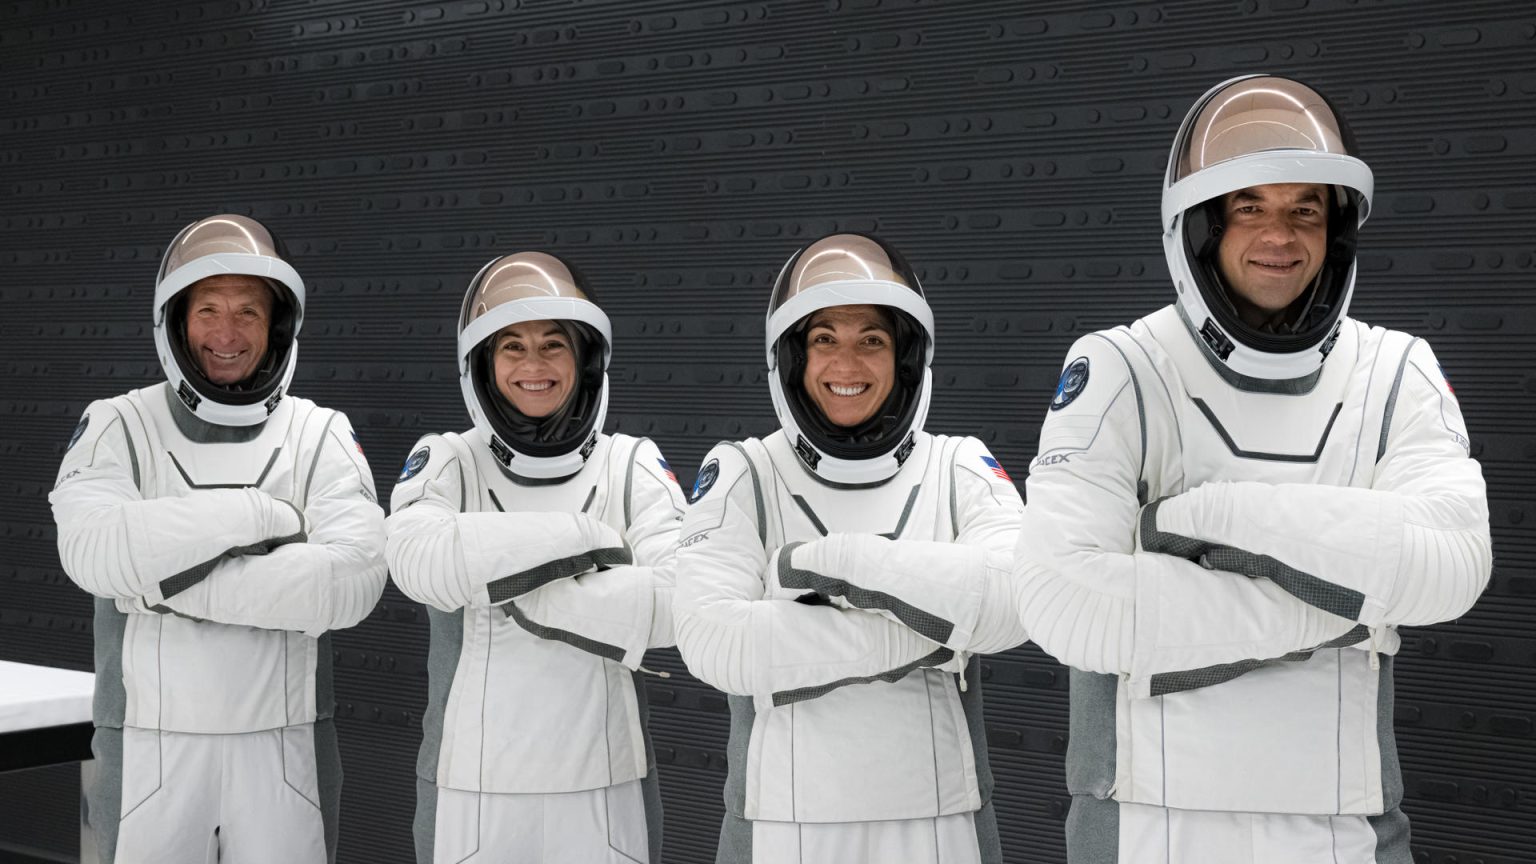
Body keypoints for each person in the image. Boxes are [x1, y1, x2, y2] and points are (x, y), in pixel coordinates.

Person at [1012, 74, 1492, 862]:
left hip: (1348, 831)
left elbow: (1452, 564)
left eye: (1305, 208)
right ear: (1200, 227)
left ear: (1334, 230)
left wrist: (1201, 524)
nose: (1281, 234)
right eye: (1250, 207)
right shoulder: (1121, 368)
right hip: (1144, 829)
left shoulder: (1396, 368)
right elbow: (1066, 601)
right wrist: (1350, 603)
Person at [674, 233, 1026, 864]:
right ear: (792, 359)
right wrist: (934, 631)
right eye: (824, 339)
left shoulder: (958, 462)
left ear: (906, 357)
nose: (847, 363)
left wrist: (838, 571)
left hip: (939, 821)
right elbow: (714, 640)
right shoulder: (743, 472)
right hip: (784, 825)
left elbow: (1017, 598)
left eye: (872, 340)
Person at [50, 214, 388, 863]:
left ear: (278, 326)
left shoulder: (319, 433)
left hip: (287, 752)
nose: (226, 333)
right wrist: (265, 517)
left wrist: (158, 584)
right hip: (146, 748)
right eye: (208, 310)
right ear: (175, 320)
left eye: (248, 313)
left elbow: (351, 582)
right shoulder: (118, 424)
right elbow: (94, 551)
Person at [386, 251, 685, 864]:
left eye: (553, 345)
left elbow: (681, 602)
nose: (534, 366)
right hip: (469, 790)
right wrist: (588, 544)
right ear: (482, 365)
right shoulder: (448, 458)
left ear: (585, 360)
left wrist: (500, 574)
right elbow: (418, 562)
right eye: (512, 348)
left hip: (607, 788)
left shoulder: (631, 463)